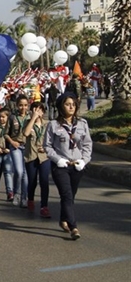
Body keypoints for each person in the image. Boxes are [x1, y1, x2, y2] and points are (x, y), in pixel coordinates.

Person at [43, 93, 92, 240]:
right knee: (66, 194)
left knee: (71, 196)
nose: (71, 107)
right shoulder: (53, 125)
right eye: (67, 104)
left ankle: (63, 219)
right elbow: (47, 146)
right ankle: (73, 227)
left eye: (73, 104)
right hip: (61, 166)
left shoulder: (82, 123)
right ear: (60, 106)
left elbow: (87, 144)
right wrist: (58, 160)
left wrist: (84, 160)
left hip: (77, 165)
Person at [23, 101, 51, 218]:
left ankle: (44, 206)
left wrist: (46, 149)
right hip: (32, 156)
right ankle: (30, 199)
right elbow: (26, 133)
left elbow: (53, 140)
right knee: (32, 181)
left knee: (44, 181)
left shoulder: (48, 124)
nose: (37, 112)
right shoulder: (27, 122)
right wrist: (33, 118)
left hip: (44, 157)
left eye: (39, 110)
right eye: (35, 109)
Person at [5, 94, 30, 207]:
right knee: (19, 171)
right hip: (16, 146)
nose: (23, 108)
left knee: (25, 174)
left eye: (25, 105)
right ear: (16, 105)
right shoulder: (12, 117)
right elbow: (5, 134)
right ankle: (16, 193)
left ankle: (24, 197)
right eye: (20, 105)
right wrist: (12, 142)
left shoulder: (30, 117)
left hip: (28, 147)